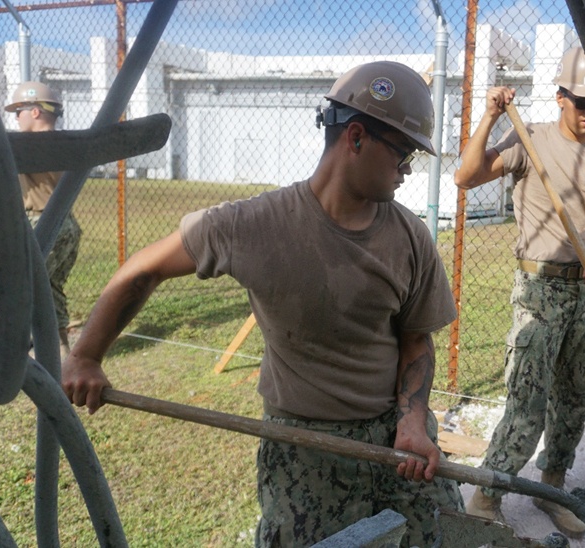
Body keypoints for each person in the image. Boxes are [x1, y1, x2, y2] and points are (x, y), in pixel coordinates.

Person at [62, 61, 464, 547]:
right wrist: (86, 356)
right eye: (403, 155)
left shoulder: (410, 237)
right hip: (303, 447)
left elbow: (415, 339)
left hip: (397, 438)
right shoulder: (252, 225)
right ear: (355, 138)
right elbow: (142, 270)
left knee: (444, 536)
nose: (407, 171)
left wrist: (413, 419)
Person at [453, 46, 585, 538]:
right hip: (538, 290)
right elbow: (465, 177)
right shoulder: (528, 138)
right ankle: (488, 494)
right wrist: (489, 116)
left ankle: (552, 489)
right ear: (560, 97)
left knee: (574, 399)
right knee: (526, 402)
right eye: (581, 102)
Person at [5, 81, 81, 357]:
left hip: (41, 225)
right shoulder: (67, 143)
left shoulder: (27, 146)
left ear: (35, 112)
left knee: (19, 287)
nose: (15, 118)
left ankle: (17, 351)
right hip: (68, 226)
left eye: (19, 111)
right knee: (50, 288)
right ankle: (60, 350)